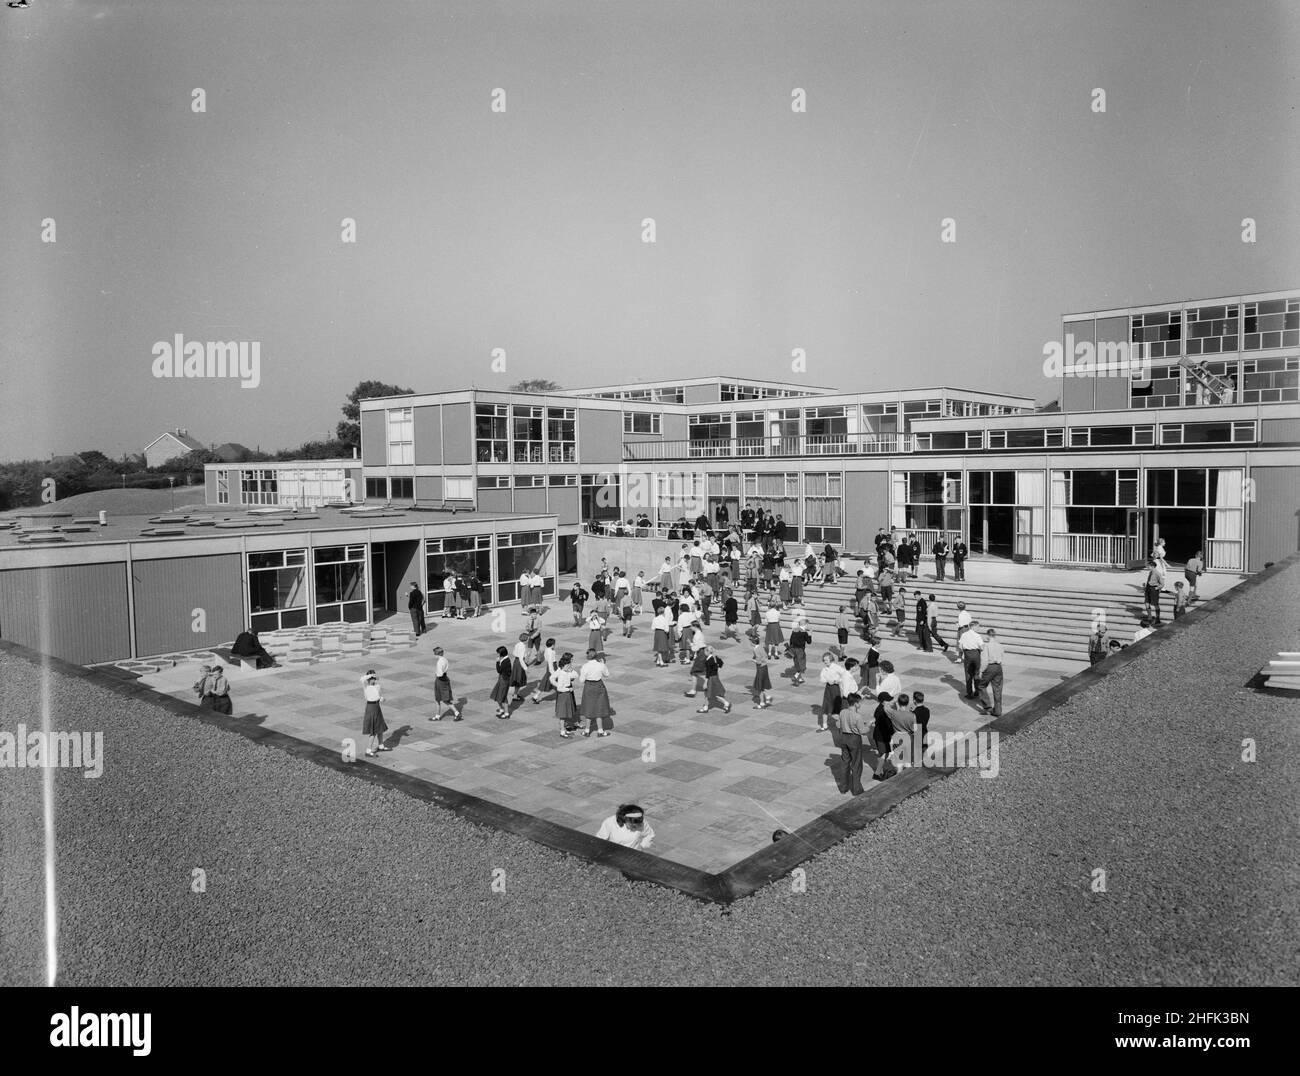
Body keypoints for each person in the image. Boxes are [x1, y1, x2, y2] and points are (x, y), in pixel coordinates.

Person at [836, 692, 868, 796]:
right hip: (854, 739)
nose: (860, 704)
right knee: (856, 764)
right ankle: (857, 789)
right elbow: (863, 731)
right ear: (855, 704)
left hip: (844, 738)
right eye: (859, 702)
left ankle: (843, 787)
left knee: (845, 763)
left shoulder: (842, 712)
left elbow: (838, 725)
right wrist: (869, 725)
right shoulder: (857, 716)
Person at [579, 649, 613, 736]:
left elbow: (581, 680)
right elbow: (607, 674)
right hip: (599, 686)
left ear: (588, 656)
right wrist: (603, 664)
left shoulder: (585, 666)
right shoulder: (600, 665)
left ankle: (587, 731)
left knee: (589, 708)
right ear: (596, 656)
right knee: (599, 708)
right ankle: (600, 731)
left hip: (589, 687)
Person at [359, 670, 389, 757]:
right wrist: (371, 675)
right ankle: (368, 750)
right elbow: (362, 679)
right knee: (373, 731)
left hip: (377, 707)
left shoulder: (377, 686)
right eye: (372, 678)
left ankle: (381, 746)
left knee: (380, 727)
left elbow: (377, 696)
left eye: (374, 678)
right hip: (371, 708)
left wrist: (381, 699)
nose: (373, 680)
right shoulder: (365, 686)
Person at [976, 628, 1005, 717]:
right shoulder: (1000, 645)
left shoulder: (986, 646)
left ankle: (988, 708)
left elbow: (984, 660)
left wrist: (981, 671)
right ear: (994, 636)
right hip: (998, 667)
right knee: (997, 688)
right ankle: (998, 710)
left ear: (988, 636)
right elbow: (1002, 656)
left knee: (981, 685)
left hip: (990, 667)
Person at [870, 693, 897, 781]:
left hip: (879, 735)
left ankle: (880, 771)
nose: (890, 701)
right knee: (884, 753)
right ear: (884, 701)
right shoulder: (882, 711)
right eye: (888, 700)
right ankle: (877, 773)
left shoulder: (880, 708)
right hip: (882, 736)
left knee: (883, 753)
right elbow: (887, 725)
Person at [431, 646, 461, 721]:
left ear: (436, 654)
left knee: (443, 699)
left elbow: (440, 674)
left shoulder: (439, 662)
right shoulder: (445, 659)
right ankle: (438, 715)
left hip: (440, 681)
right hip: (444, 679)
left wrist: (437, 674)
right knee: (442, 699)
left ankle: (456, 713)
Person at [698, 646, 731, 714]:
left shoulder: (708, 661)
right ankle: (706, 707)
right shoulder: (715, 657)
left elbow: (708, 672)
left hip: (711, 679)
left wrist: (705, 683)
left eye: (705, 651)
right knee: (713, 694)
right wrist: (716, 667)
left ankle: (726, 703)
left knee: (709, 693)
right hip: (716, 677)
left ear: (707, 651)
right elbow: (721, 663)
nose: (704, 653)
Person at [553, 652, 578, 736]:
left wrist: (571, 670)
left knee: (566, 712)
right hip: (564, 694)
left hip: (566, 694)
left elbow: (576, 675)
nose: (569, 666)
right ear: (564, 666)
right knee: (562, 713)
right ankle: (562, 731)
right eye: (567, 665)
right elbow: (559, 687)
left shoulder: (566, 672)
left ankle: (564, 728)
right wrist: (568, 689)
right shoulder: (562, 674)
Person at [817, 651, 843, 731]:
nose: (825, 662)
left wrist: (836, 681)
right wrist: (827, 681)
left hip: (835, 688)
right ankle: (824, 724)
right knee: (826, 704)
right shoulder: (824, 669)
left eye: (826, 660)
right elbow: (821, 679)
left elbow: (844, 674)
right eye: (824, 660)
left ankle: (841, 722)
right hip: (828, 688)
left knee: (836, 705)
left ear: (831, 659)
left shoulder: (836, 667)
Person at [959, 624, 984, 698]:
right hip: (976, 654)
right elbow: (982, 647)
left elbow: (960, 646)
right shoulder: (977, 635)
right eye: (978, 627)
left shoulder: (964, 635)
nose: (979, 628)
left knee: (968, 674)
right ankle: (977, 691)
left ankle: (970, 693)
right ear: (973, 627)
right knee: (976, 673)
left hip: (967, 654)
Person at [531, 638, 558, 704]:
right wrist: (553, 672)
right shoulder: (551, 652)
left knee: (545, 681)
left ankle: (536, 696)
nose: (555, 645)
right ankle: (561, 695)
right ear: (552, 645)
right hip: (552, 667)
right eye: (554, 644)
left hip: (550, 667)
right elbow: (550, 663)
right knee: (555, 681)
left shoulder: (547, 650)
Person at [490, 646, 514, 719]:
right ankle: (502, 709)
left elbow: (499, 670)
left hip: (504, 680)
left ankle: (506, 713)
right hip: (501, 680)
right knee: (498, 695)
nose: (497, 654)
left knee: (502, 698)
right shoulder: (504, 659)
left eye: (498, 653)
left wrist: (497, 662)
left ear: (502, 654)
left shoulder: (505, 661)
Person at [751, 639, 773, 709]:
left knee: (759, 687)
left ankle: (761, 704)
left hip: (760, 669)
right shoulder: (760, 647)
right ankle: (767, 697)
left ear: (753, 643)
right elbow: (765, 655)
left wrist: (753, 660)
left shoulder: (755, 649)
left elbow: (758, 662)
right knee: (763, 686)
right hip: (765, 667)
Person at [789, 619, 811, 685]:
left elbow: (791, 640)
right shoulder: (804, 632)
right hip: (800, 650)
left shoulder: (794, 631)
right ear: (805, 625)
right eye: (807, 625)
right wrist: (810, 634)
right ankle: (796, 679)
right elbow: (809, 642)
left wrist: (791, 648)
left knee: (797, 663)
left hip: (793, 649)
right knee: (802, 665)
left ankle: (800, 678)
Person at [1143, 558, 1163, 625]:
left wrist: (1157, 588)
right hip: (1148, 588)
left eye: (1149, 566)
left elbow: (1162, 584)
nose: (1148, 567)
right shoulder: (1150, 572)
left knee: (1155, 604)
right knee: (1146, 602)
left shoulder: (1158, 573)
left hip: (1154, 589)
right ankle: (1149, 617)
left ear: (1153, 566)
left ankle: (1157, 618)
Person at [913, 690, 931, 755]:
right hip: (924, 732)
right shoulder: (927, 710)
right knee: (924, 751)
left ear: (914, 701)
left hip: (917, 735)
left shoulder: (914, 713)